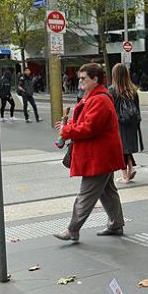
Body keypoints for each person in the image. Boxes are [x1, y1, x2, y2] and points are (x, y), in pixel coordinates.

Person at [53, 63, 126, 242]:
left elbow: (89, 127)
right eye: (80, 78)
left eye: (83, 78)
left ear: (95, 79)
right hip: (102, 155)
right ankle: (116, 224)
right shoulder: (95, 97)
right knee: (107, 191)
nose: (80, 81)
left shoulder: (99, 99)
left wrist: (67, 130)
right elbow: (87, 124)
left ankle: (72, 229)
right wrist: (68, 127)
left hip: (98, 157)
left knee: (86, 194)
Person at [109, 63, 143, 184]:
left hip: (119, 123)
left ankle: (124, 176)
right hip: (132, 122)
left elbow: (110, 109)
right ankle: (131, 168)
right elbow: (137, 108)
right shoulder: (133, 89)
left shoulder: (112, 90)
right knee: (127, 147)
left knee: (121, 149)